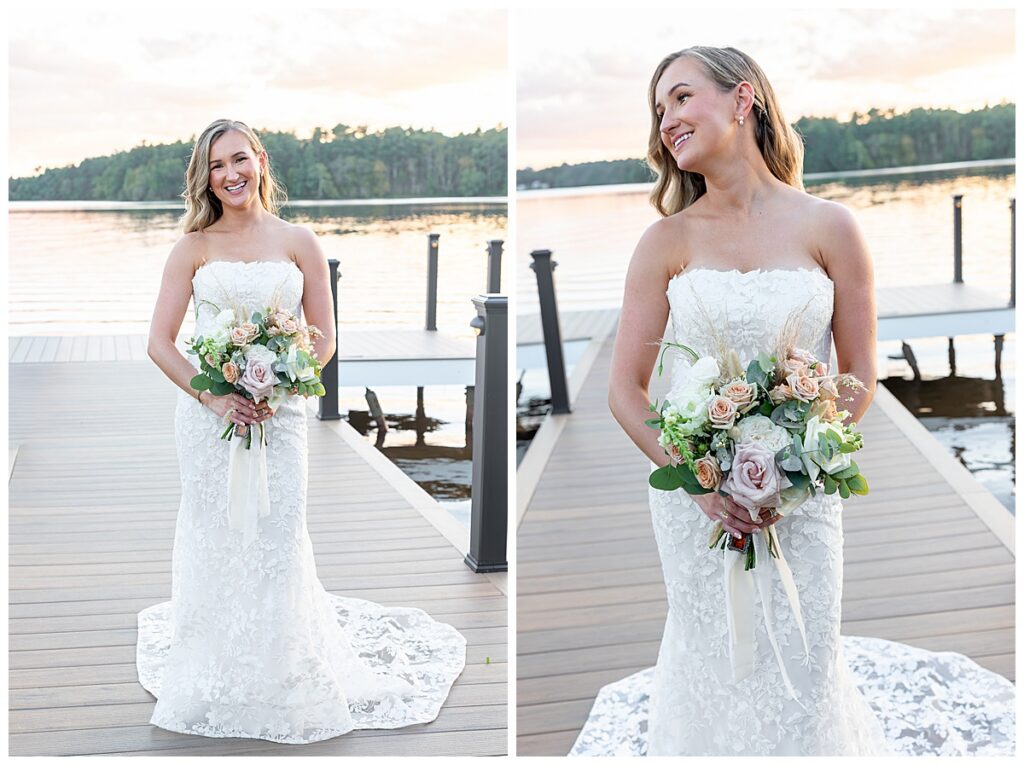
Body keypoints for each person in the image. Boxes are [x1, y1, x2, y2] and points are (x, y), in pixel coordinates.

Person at [573, 47, 1014, 756]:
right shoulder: (664, 242)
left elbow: (861, 371)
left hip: (802, 500)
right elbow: (624, 391)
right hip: (696, 501)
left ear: (742, 99)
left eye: (681, 99)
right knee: (712, 655)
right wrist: (697, 482)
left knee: (802, 665)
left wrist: (801, 469)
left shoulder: (830, 227)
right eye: (659, 111)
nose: (667, 122)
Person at [138, 119, 466, 744]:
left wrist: (278, 385)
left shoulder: (299, 241)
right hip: (209, 421)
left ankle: (283, 669)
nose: (230, 174)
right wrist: (216, 398)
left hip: (280, 417)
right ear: (204, 178)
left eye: (239, 159)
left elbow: (324, 336)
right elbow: (159, 342)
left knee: (277, 536)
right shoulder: (192, 247)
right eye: (215, 166)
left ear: (260, 160)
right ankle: (213, 669)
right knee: (216, 534)